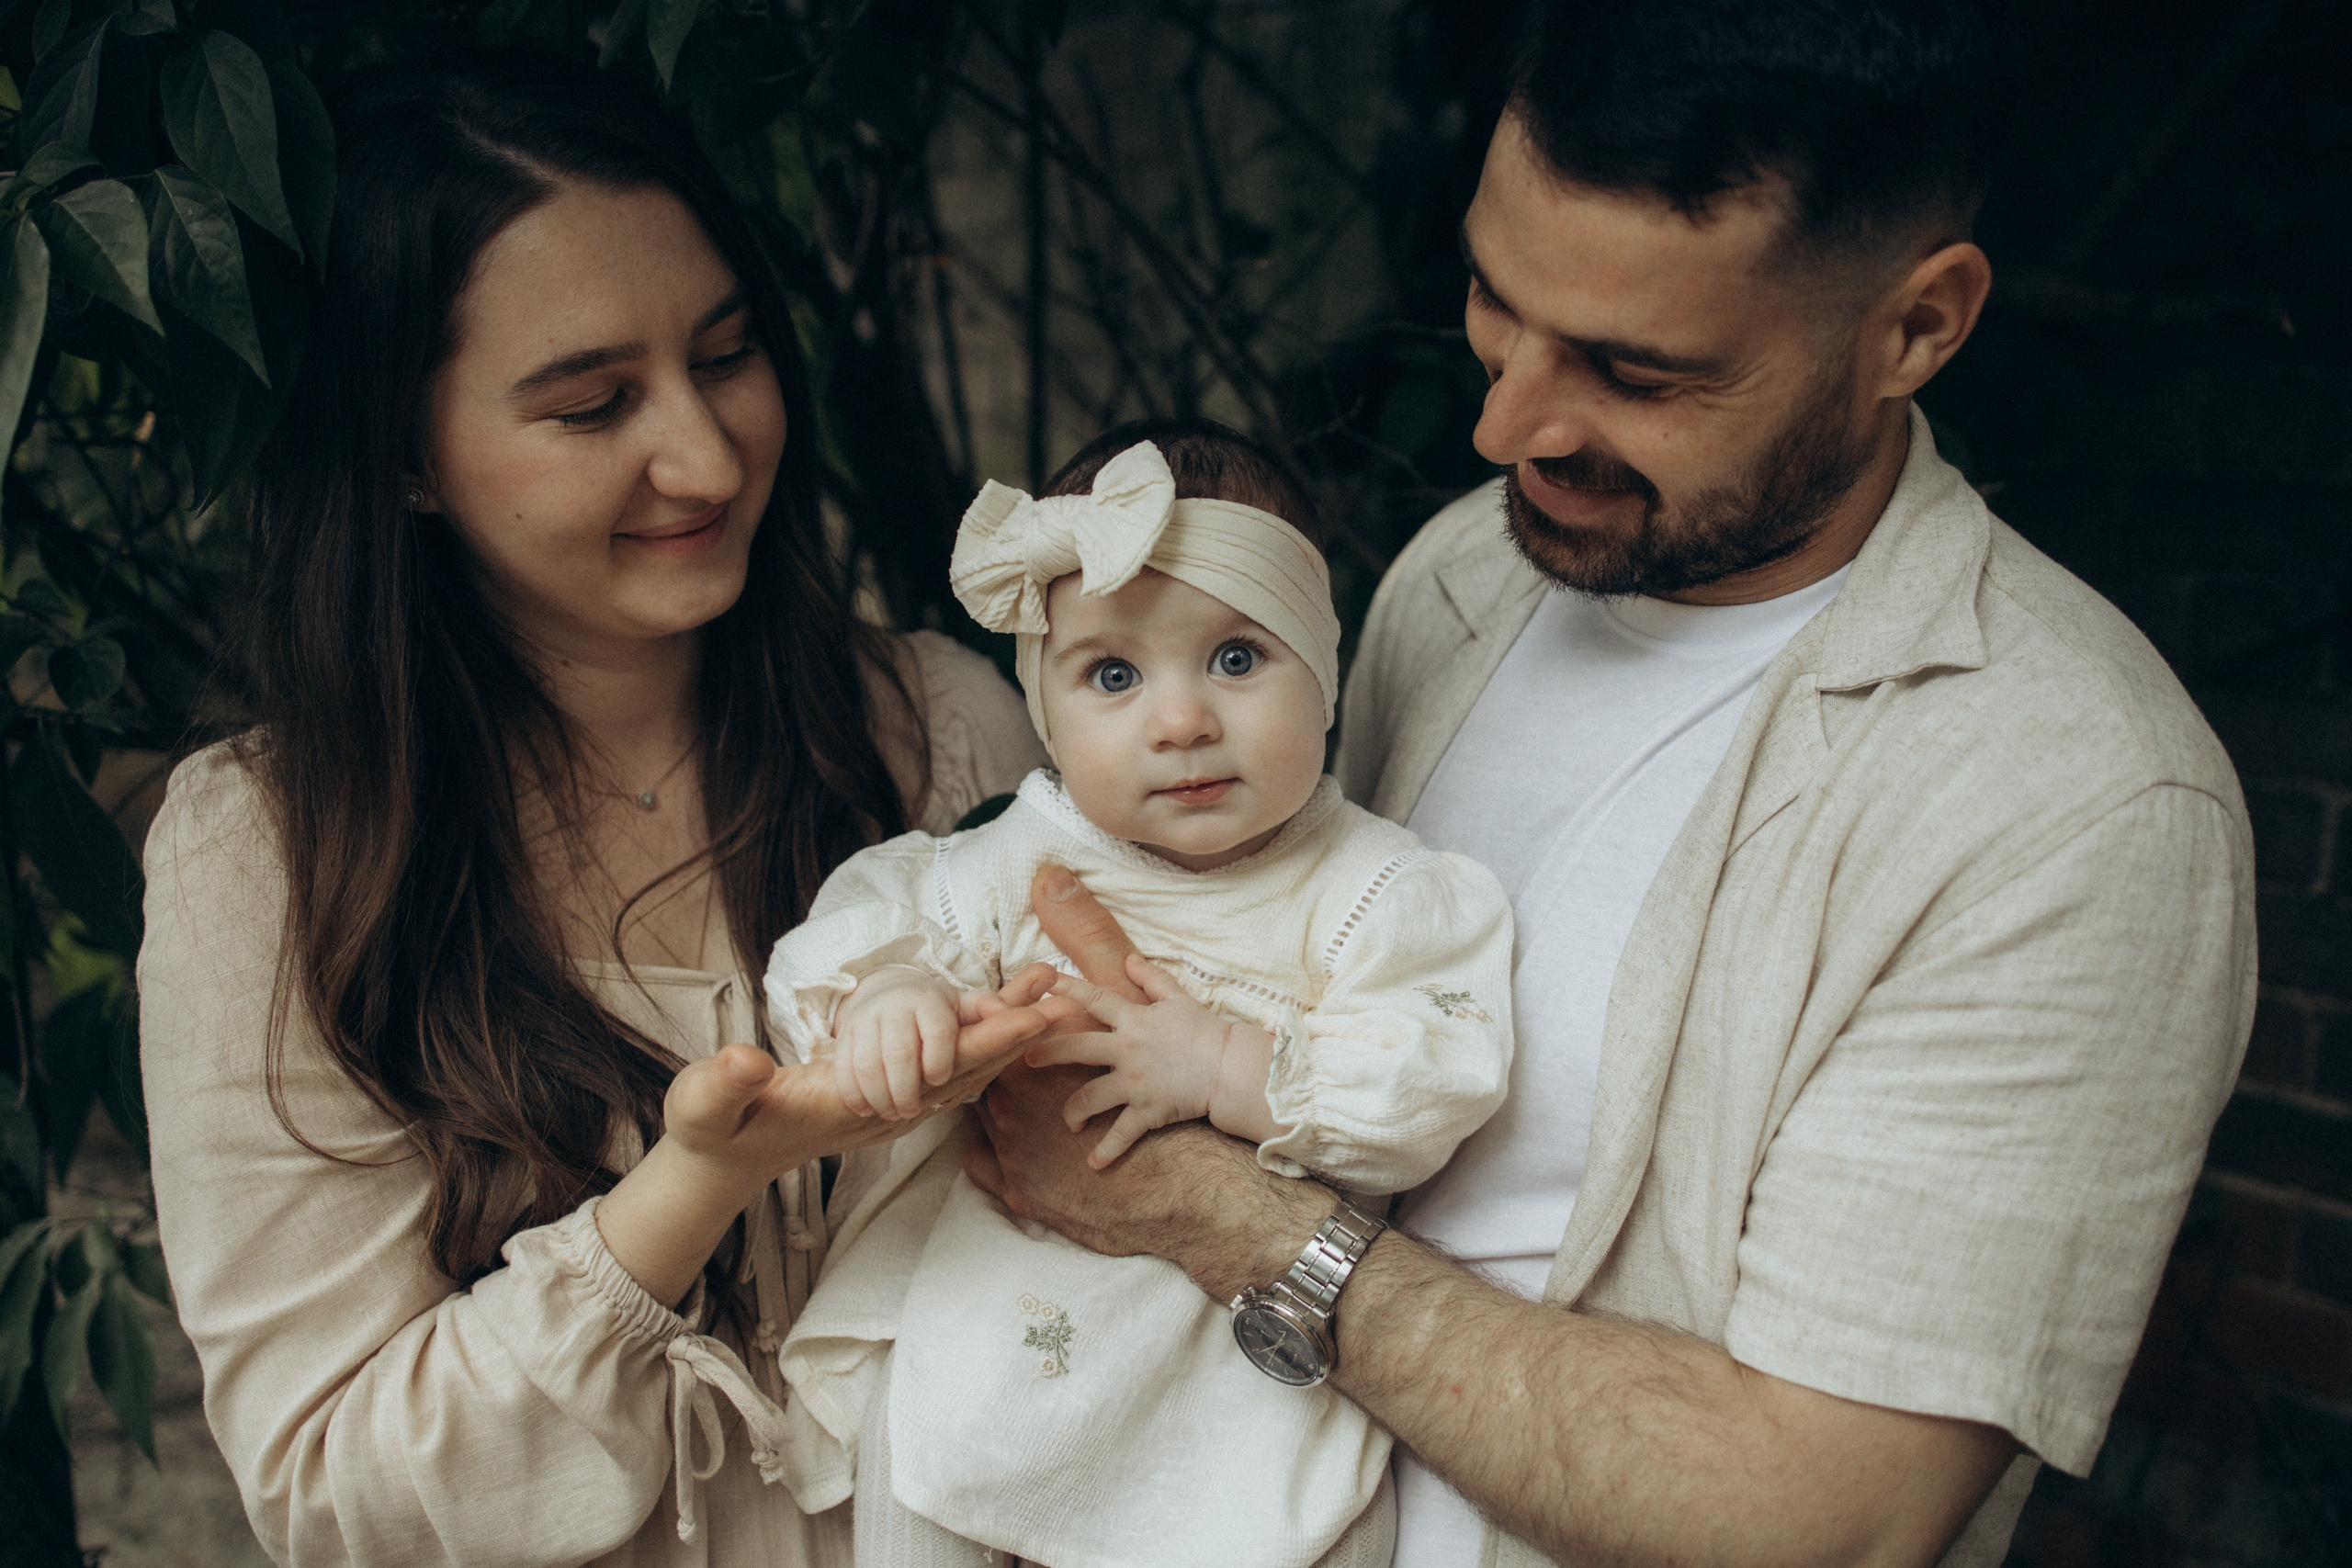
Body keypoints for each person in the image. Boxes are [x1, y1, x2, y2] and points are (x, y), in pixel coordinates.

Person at [960, 4, 2258, 1566]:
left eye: (1635, 370)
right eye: (1496, 306)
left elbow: (1817, 1515)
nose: (1508, 422)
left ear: (1919, 326)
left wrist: (1205, 1209)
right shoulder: (1465, 573)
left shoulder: (2072, 805)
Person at [136, 51, 1060, 1567]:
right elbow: (334, 1495)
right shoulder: (274, 854)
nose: (702, 455)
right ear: (406, 457)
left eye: (727, 352)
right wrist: (693, 1189)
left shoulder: (942, 734)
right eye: (590, 404)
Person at [747, 423, 1512, 1567]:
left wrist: (1223, 1068)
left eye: (1238, 659)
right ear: (1046, 712)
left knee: (1312, 1532)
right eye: (1113, 674)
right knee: (921, 1481)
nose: (1181, 720)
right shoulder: (1019, 857)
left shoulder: (1372, 890)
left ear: (1326, 670)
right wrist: (891, 997)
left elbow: (1430, 1085)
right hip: (993, 1334)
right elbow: (847, 939)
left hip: (1240, 1375)